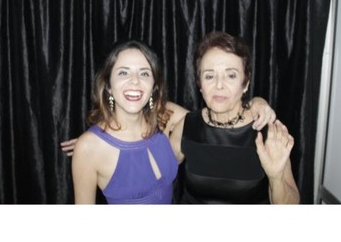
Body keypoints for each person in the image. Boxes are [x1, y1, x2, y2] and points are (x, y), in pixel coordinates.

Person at [169, 31, 299, 203]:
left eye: (231, 75)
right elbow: (159, 177)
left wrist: (276, 177)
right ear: (200, 85)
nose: (219, 85)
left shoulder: (266, 130)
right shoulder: (187, 125)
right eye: (209, 76)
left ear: (245, 84)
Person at [71, 41, 178, 204]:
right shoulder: (89, 147)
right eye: (123, 73)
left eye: (144, 74)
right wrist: (88, 143)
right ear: (108, 86)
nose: (135, 81)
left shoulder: (163, 122)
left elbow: (202, 118)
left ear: (154, 86)